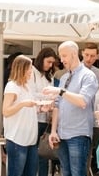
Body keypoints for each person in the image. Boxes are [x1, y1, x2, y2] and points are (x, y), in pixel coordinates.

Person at [43, 40, 98, 176]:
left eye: (64, 56)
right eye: (60, 56)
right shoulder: (64, 77)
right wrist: (54, 131)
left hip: (79, 134)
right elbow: (57, 106)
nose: (61, 60)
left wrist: (60, 92)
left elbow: (83, 101)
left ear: (74, 54)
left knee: (77, 173)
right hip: (62, 134)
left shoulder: (88, 76)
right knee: (65, 173)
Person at [3, 55, 39, 176]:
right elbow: (6, 111)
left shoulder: (27, 87)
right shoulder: (12, 86)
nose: (31, 71)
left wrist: (40, 109)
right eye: (29, 68)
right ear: (22, 69)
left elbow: (27, 110)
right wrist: (22, 104)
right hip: (17, 139)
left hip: (30, 139)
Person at [32, 47, 58, 176]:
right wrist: (46, 99)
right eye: (48, 62)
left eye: (52, 62)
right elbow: (31, 94)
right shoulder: (31, 72)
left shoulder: (50, 76)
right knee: (34, 152)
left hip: (46, 119)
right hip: (35, 118)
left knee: (44, 153)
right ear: (41, 59)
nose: (50, 65)